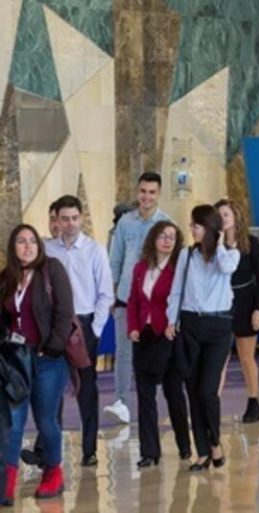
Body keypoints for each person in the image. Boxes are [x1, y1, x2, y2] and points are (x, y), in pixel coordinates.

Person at [1, 225, 74, 504]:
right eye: (21, 241)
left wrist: (53, 348)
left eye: (32, 240)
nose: (28, 246)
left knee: (46, 420)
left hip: (47, 360)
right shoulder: (7, 277)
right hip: (15, 361)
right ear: (13, 247)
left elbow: (65, 312)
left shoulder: (52, 270)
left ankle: (53, 472)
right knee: (12, 423)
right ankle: (7, 480)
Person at [165, 205, 240, 471]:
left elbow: (227, 268)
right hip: (190, 324)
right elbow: (176, 290)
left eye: (196, 226)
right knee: (193, 391)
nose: (192, 230)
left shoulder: (229, 253)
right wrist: (171, 320)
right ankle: (203, 451)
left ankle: (215, 442)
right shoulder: (186, 255)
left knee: (208, 391)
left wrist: (218, 243)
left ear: (208, 228)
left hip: (218, 326)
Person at [43, 196, 114, 467]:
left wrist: (94, 330)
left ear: (81, 218)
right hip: (54, 325)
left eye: (74, 218)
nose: (70, 223)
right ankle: (50, 452)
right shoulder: (47, 250)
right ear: (57, 221)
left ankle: (90, 450)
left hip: (84, 325)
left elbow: (105, 294)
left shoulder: (95, 250)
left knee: (86, 388)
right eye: (65, 219)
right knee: (51, 387)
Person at [108, 171, 170, 424]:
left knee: (153, 353)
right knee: (123, 353)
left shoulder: (166, 224)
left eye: (152, 192)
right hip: (125, 297)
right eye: (143, 191)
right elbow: (116, 259)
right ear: (137, 191)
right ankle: (121, 402)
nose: (147, 197)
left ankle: (153, 402)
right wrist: (112, 294)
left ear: (159, 193)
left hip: (154, 302)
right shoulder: (125, 223)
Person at [126, 221, 191, 467]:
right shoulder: (140, 268)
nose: (167, 241)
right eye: (163, 236)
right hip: (143, 337)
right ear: (153, 239)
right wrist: (132, 327)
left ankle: (184, 445)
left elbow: (183, 302)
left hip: (168, 336)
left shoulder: (178, 271)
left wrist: (174, 324)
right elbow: (133, 301)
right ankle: (149, 452)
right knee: (145, 396)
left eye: (172, 237)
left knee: (173, 394)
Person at [215, 200, 259, 422]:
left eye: (226, 214)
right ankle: (213, 403)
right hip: (221, 304)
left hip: (245, 302)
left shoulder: (250, 243)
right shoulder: (214, 245)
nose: (223, 219)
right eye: (219, 216)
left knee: (246, 357)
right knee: (219, 358)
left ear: (235, 216)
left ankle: (253, 401)